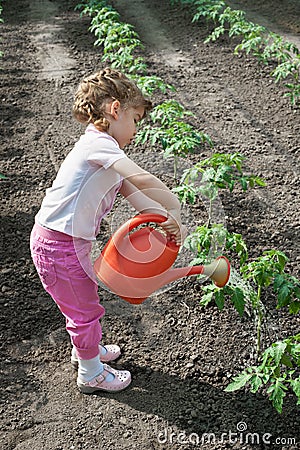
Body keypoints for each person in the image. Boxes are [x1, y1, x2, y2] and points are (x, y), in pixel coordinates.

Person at [30, 68, 187, 394]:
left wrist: (163, 218)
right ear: (115, 110)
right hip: (58, 247)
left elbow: (137, 195)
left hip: (66, 244)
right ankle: (91, 373)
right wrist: (174, 206)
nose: (135, 128)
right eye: (135, 118)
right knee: (85, 310)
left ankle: (86, 351)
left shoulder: (105, 153)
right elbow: (143, 178)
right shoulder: (98, 146)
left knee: (83, 303)